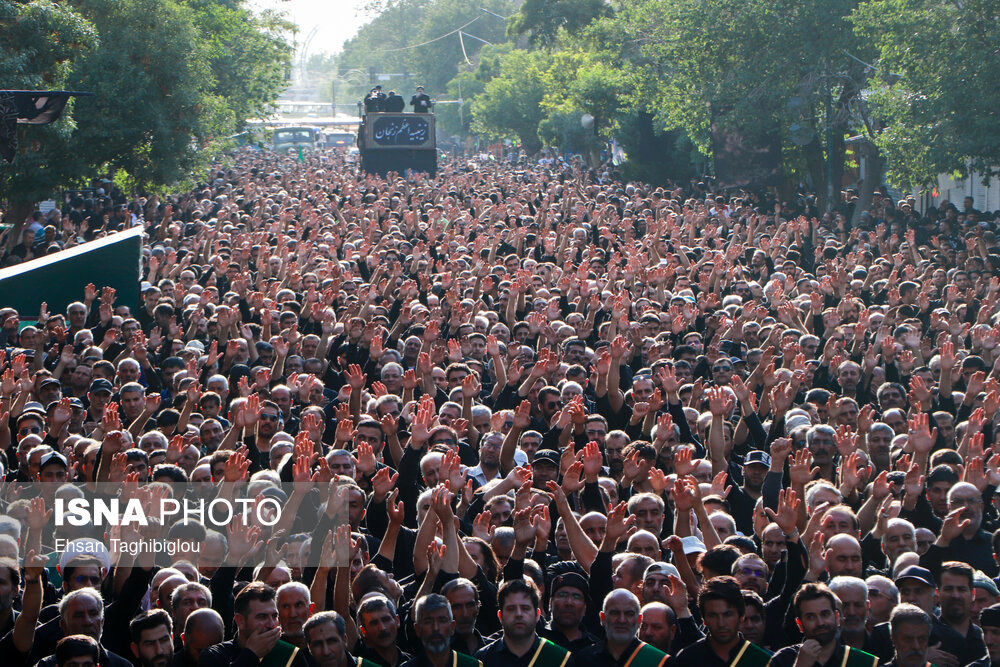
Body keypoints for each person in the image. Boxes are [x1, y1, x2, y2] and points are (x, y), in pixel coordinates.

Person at [199, 583, 309, 667]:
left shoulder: (291, 655)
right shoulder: (214, 656)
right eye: (262, 617)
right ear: (240, 621)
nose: (271, 624)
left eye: (274, 616)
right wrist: (250, 655)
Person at [769, 583, 878, 667]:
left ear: (837, 617)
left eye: (825, 614)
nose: (820, 623)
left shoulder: (861, 661)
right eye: (811, 617)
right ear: (800, 624)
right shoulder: (783, 660)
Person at [674, 577, 771, 667]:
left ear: (741, 616)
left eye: (727, 615)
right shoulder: (687, 659)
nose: (721, 623)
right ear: (704, 619)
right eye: (713, 615)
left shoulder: (763, 661)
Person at [476, 579, 572, 667]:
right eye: (511, 609)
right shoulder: (482, 660)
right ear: (500, 616)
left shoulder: (560, 659)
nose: (518, 614)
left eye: (525, 608)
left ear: (537, 615)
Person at [576, 589, 669, 667]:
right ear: (603, 618)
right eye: (615, 613)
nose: (622, 620)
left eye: (629, 614)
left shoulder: (660, 662)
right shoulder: (583, 660)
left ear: (639, 620)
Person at [402, 594, 483, 667]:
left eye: (442, 621)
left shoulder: (472, 665)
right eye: (428, 621)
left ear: (452, 627)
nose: (435, 628)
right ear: (417, 629)